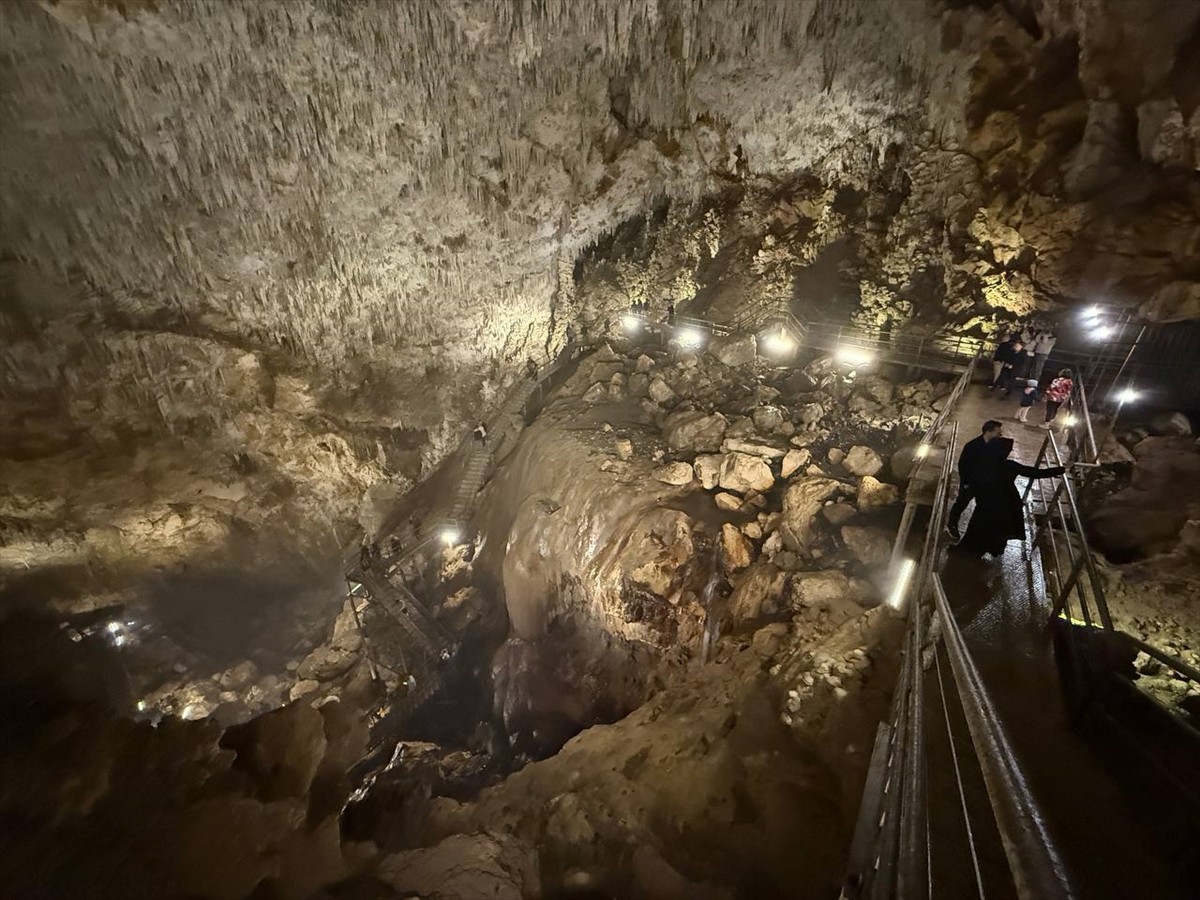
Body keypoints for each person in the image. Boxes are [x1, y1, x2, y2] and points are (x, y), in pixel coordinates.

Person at [956, 437, 1064, 557]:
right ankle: (991, 550)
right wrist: (1060, 470)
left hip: (988, 502)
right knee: (997, 529)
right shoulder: (1009, 466)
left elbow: (974, 481)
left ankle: (972, 550)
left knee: (980, 526)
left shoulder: (984, 464)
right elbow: (1034, 473)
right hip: (1007, 503)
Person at [947, 419, 1004, 540]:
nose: (1000, 434)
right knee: (961, 503)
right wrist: (966, 483)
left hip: (984, 483)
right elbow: (963, 466)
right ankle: (951, 524)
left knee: (982, 506)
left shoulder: (995, 445)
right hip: (971, 483)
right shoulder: (972, 446)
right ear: (989, 432)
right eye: (998, 432)